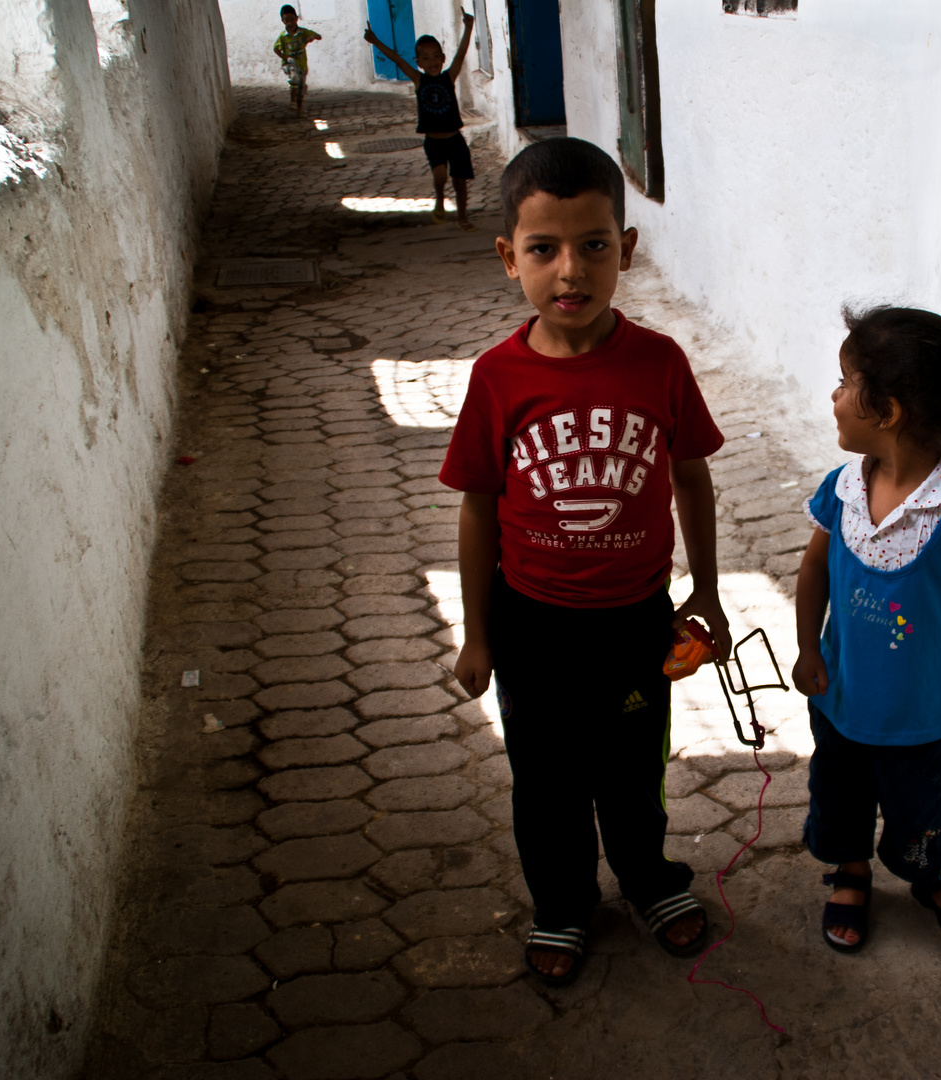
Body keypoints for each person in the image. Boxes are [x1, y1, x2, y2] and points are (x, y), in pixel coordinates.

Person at [439, 137, 732, 987]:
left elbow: (690, 476)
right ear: (508, 258)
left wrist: (705, 588)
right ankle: (563, 903)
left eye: (594, 245)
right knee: (547, 781)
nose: (570, 271)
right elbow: (478, 507)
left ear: (626, 251)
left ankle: (650, 882)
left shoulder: (659, 364)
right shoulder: (498, 378)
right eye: (544, 249)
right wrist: (477, 636)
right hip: (531, 624)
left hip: (635, 619)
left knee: (634, 769)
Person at [791, 306, 941, 953]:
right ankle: (849, 872)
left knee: (918, 810)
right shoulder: (840, 489)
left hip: (924, 715)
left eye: (845, 383)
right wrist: (806, 645)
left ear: (888, 411)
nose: (834, 396)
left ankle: (933, 876)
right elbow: (812, 570)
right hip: (840, 699)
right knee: (838, 796)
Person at [364, 15, 477, 228]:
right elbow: (397, 59)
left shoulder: (449, 76)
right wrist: (376, 41)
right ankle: (440, 199)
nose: (432, 62)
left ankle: (462, 217)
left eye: (436, 56)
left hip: (455, 140)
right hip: (434, 142)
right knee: (441, 175)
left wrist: (468, 27)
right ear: (418, 63)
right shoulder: (418, 80)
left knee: (460, 181)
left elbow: (461, 54)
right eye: (425, 58)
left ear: (443, 58)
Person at [272, 5, 321, 117]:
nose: (290, 23)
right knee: (294, 77)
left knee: (301, 87)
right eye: (286, 20)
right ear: (282, 21)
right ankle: (292, 101)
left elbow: (318, 36)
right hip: (289, 63)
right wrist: (285, 58)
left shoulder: (303, 33)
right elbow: (275, 48)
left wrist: (311, 37)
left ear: (297, 18)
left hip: (302, 64)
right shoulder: (283, 36)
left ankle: (299, 108)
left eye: (292, 19)